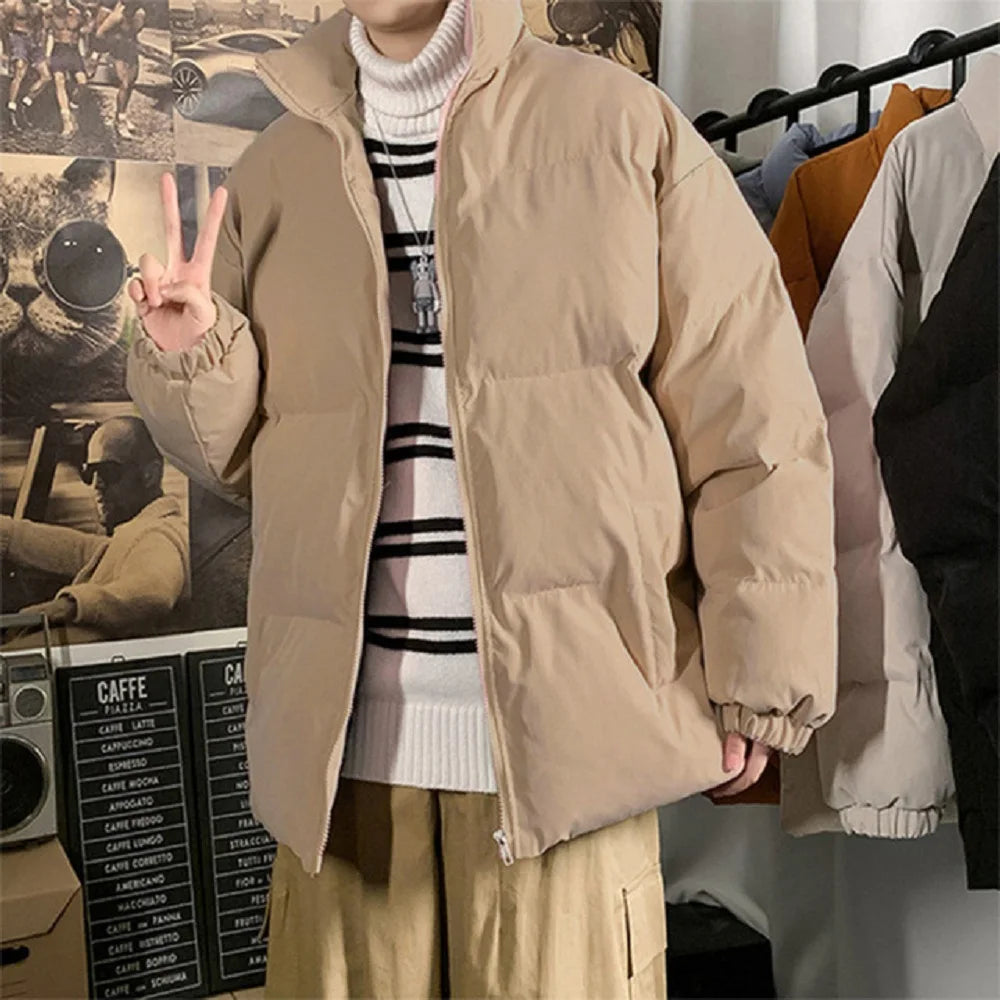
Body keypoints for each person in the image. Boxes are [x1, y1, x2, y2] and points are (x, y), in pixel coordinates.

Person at [125, 0, 837, 996]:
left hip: (570, 747)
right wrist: (191, 356)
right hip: (341, 762)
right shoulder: (276, 168)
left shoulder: (621, 126)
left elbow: (752, 417)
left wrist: (763, 675)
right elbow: (244, 461)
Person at [0, 415, 189, 641]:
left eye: (108, 472)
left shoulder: (158, 535)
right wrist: (7, 533)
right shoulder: (135, 533)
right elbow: (78, 548)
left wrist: (67, 607)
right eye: (89, 472)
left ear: (150, 475)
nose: (96, 484)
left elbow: (153, 592)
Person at [93, 0, 143, 138]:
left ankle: (121, 115)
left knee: (131, 84)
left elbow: (134, 34)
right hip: (117, 51)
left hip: (131, 50)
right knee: (124, 84)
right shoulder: (117, 16)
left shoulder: (140, 14)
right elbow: (99, 33)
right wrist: (114, 42)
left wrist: (136, 45)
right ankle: (120, 122)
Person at [1, 0, 50, 131]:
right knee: (20, 71)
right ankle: (11, 110)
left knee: (46, 76)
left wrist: (41, 45)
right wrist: (6, 48)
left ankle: (25, 103)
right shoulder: (13, 5)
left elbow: (41, 27)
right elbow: (3, 25)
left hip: (32, 41)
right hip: (17, 38)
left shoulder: (37, 8)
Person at [46, 0, 92, 136]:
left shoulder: (76, 13)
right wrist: (46, 55)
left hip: (73, 51)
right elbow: (46, 34)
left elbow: (85, 34)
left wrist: (86, 56)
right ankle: (66, 120)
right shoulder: (49, 13)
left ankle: (73, 104)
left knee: (82, 83)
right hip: (58, 49)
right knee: (59, 80)